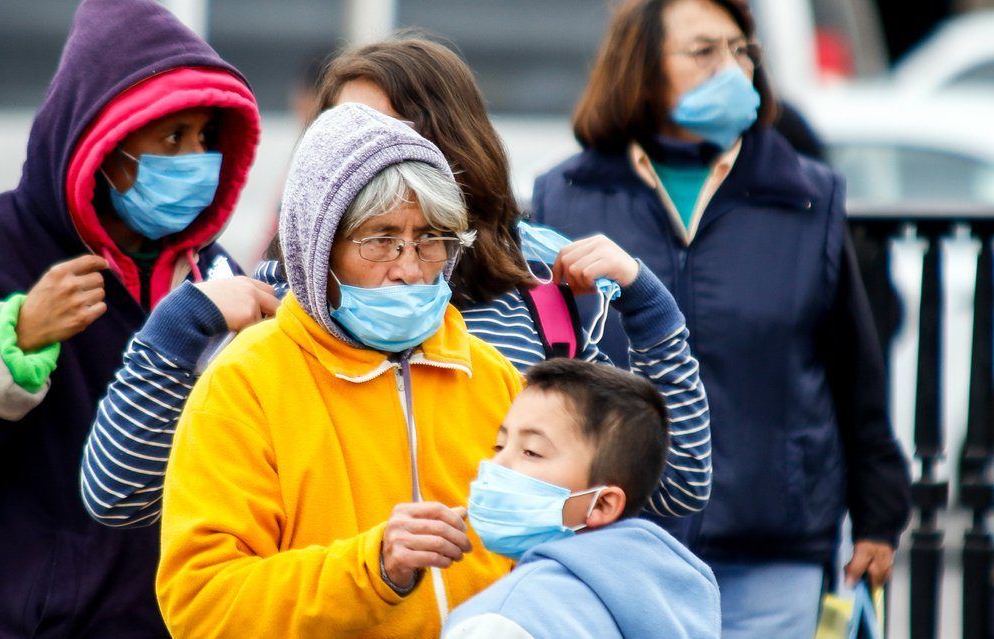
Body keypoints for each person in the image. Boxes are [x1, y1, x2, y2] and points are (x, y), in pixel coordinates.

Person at [82, 36, 711, 538]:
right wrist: (176, 331)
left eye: (391, 135)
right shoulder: (282, 310)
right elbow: (123, 497)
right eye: (339, 135)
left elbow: (667, 488)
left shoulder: (543, 297)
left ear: (453, 145)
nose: (361, 158)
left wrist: (652, 313)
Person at [0, 0, 273, 635]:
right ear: (107, 145)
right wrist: (14, 336)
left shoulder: (214, 278)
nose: (196, 159)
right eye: (173, 137)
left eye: (206, 138)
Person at [530, 1, 912, 636]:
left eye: (741, 51)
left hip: (771, 548)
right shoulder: (568, 193)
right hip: (616, 539)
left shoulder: (804, 193)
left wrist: (878, 514)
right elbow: (545, 371)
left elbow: (853, 365)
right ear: (643, 68)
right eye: (704, 51)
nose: (732, 70)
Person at [153, 103, 517, 637]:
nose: (410, 269)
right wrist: (375, 569)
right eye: (380, 239)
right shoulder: (245, 385)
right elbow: (202, 604)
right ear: (316, 249)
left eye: (432, 238)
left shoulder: (492, 377)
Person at [443, 359, 720, 639]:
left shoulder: (502, 620)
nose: (495, 465)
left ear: (601, 504)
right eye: (499, 445)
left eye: (532, 451)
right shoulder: (674, 601)